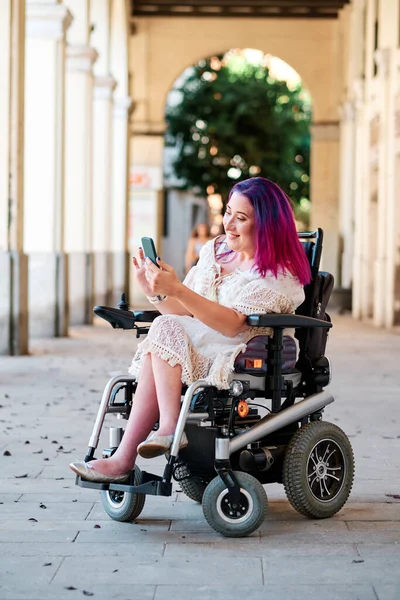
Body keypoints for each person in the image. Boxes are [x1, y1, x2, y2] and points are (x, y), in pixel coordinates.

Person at [70, 177, 311, 482]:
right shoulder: (215, 251)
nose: (229, 224)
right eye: (227, 213)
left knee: (164, 330)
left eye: (241, 218)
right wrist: (156, 292)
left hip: (241, 347)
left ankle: (145, 446)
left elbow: (234, 323)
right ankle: (140, 448)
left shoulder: (280, 273)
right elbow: (185, 312)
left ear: (267, 225)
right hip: (199, 340)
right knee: (163, 330)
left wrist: (179, 292)